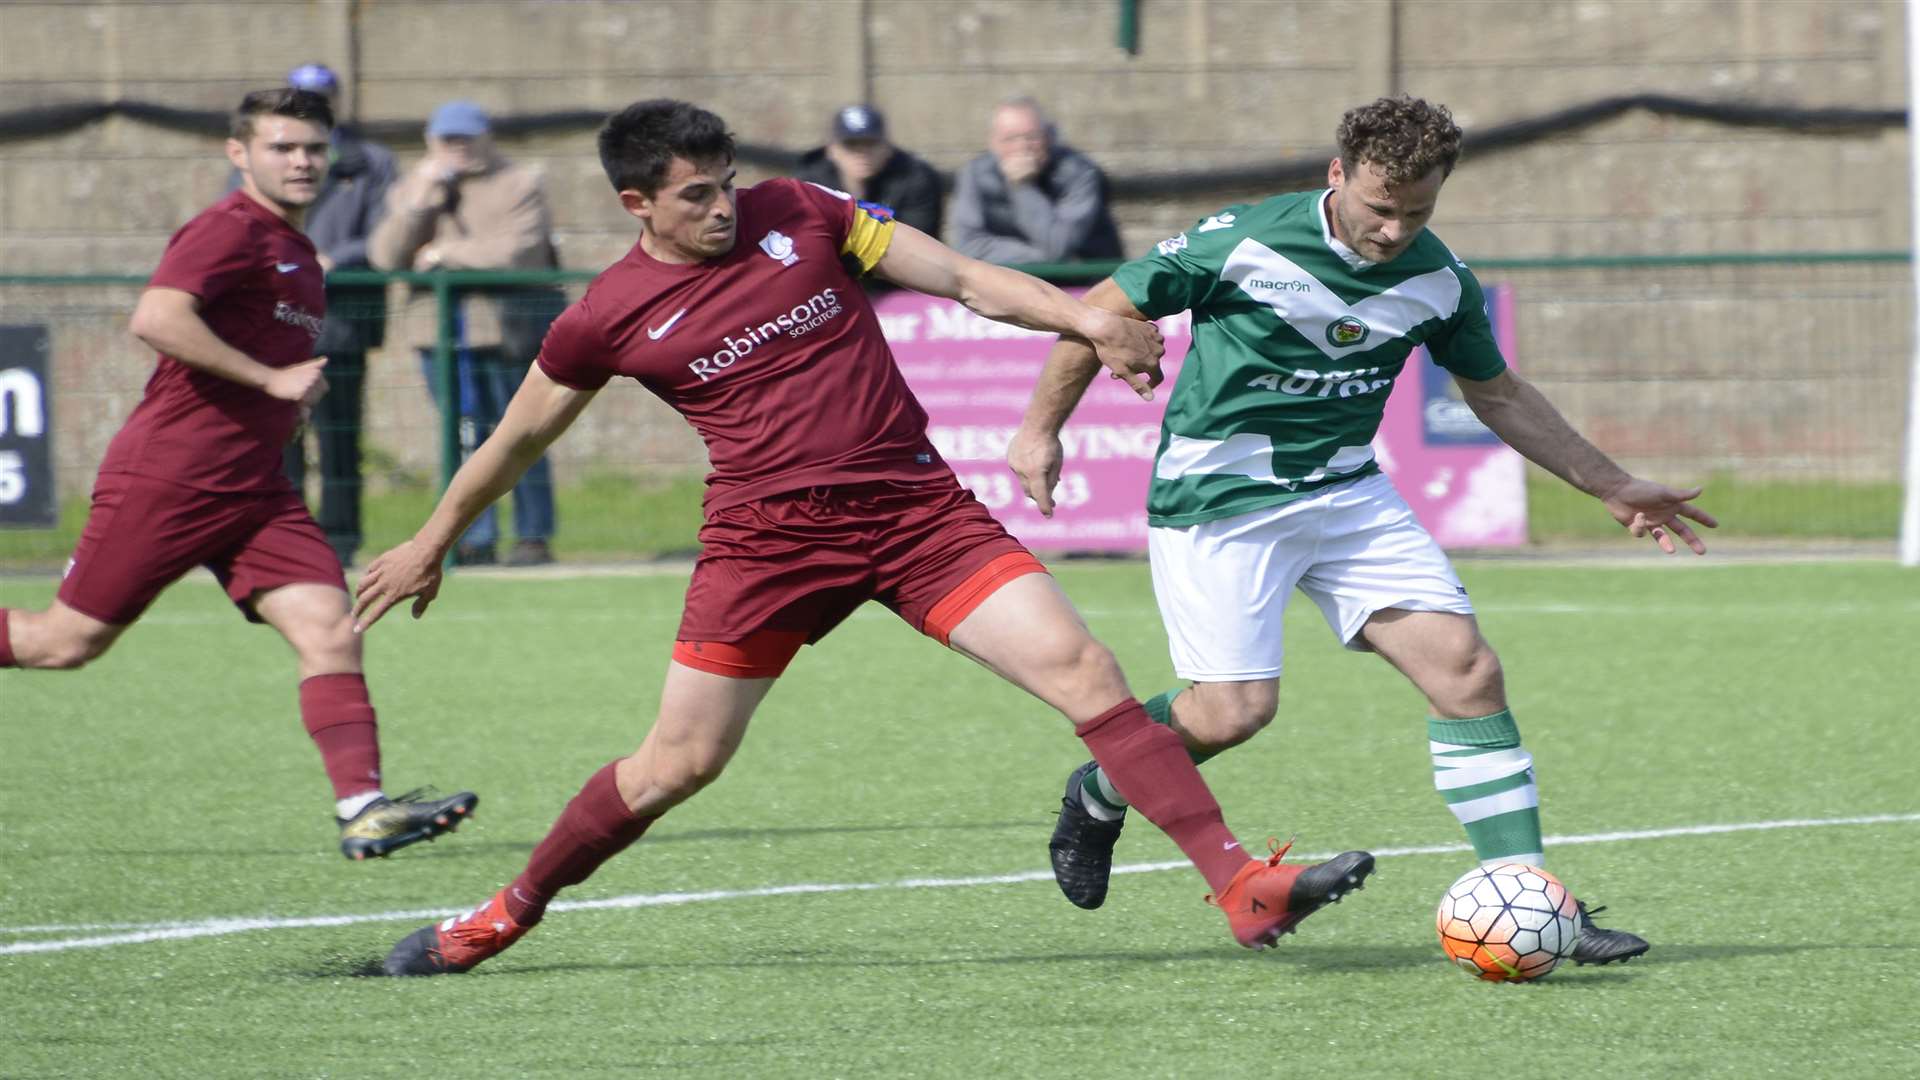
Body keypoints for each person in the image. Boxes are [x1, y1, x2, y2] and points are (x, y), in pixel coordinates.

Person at [352, 99, 1376, 977]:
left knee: (1085, 670)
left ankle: (1241, 885)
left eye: (726, 185)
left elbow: (967, 278)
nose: (722, 208)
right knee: (677, 764)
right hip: (768, 545)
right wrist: (434, 536)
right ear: (638, 205)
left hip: (916, 513)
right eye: (695, 197)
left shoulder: (802, 211)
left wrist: (1087, 322)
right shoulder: (608, 316)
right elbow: (518, 434)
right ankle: (503, 914)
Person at [1010, 94, 1719, 967]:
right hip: (1220, 501)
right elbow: (1099, 313)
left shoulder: (1438, 277)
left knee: (1467, 672)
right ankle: (1102, 789)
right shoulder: (1242, 240)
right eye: (1380, 207)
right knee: (1230, 714)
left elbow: (1495, 393)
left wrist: (1608, 483)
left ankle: (1535, 904)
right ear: (1337, 173)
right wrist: (1042, 429)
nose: (1394, 230)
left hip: (1348, 496)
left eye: (1417, 211)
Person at [0, 88, 477, 860]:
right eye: (283, 147)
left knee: (332, 626)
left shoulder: (298, 251)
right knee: (65, 643)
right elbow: (156, 316)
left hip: (255, 489)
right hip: (172, 477)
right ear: (240, 154)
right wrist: (268, 380)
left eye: (314, 149)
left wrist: (283, 399)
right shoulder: (227, 229)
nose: (301, 161)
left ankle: (363, 809)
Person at [369, 99, 564, 567]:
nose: (457, 148)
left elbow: (518, 250)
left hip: (509, 332)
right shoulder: (412, 187)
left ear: (486, 136)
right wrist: (419, 203)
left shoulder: (519, 183)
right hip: (438, 337)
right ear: (430, 143)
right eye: (446, 140)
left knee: (524, 435)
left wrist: (443, 254)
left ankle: (532, 535)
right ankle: (475, 538)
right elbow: (385, 257)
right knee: (462, 438)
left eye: (466, 138)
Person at [274, 62, 395, 569]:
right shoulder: (264, 154)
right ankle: (285, 538)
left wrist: (335, 258)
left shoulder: (369, 159)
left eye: (320, 95)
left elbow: (388, 230)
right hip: (277, 322)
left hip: (341, 317)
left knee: (340, 437)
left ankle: (341, 541)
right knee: (280, 436)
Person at [950, 96, 1123, 264]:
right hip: (1006, 281)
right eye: (1010, 139)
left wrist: (1023, 187)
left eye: (1032, 137)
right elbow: (968, 246)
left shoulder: (1079, 173)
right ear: (993, 142)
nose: (1022, 147)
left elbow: (1059, 245)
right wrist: (1040, 258)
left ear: (1048, 138)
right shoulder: (975, 173)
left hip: (1078, 283)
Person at [792, 104, 944, 238]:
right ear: (831, 150)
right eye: (850, 144)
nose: (861, 153)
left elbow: (918, 242)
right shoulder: (810, 180)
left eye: (870, 143)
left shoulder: (914, 177)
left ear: (887, 147)